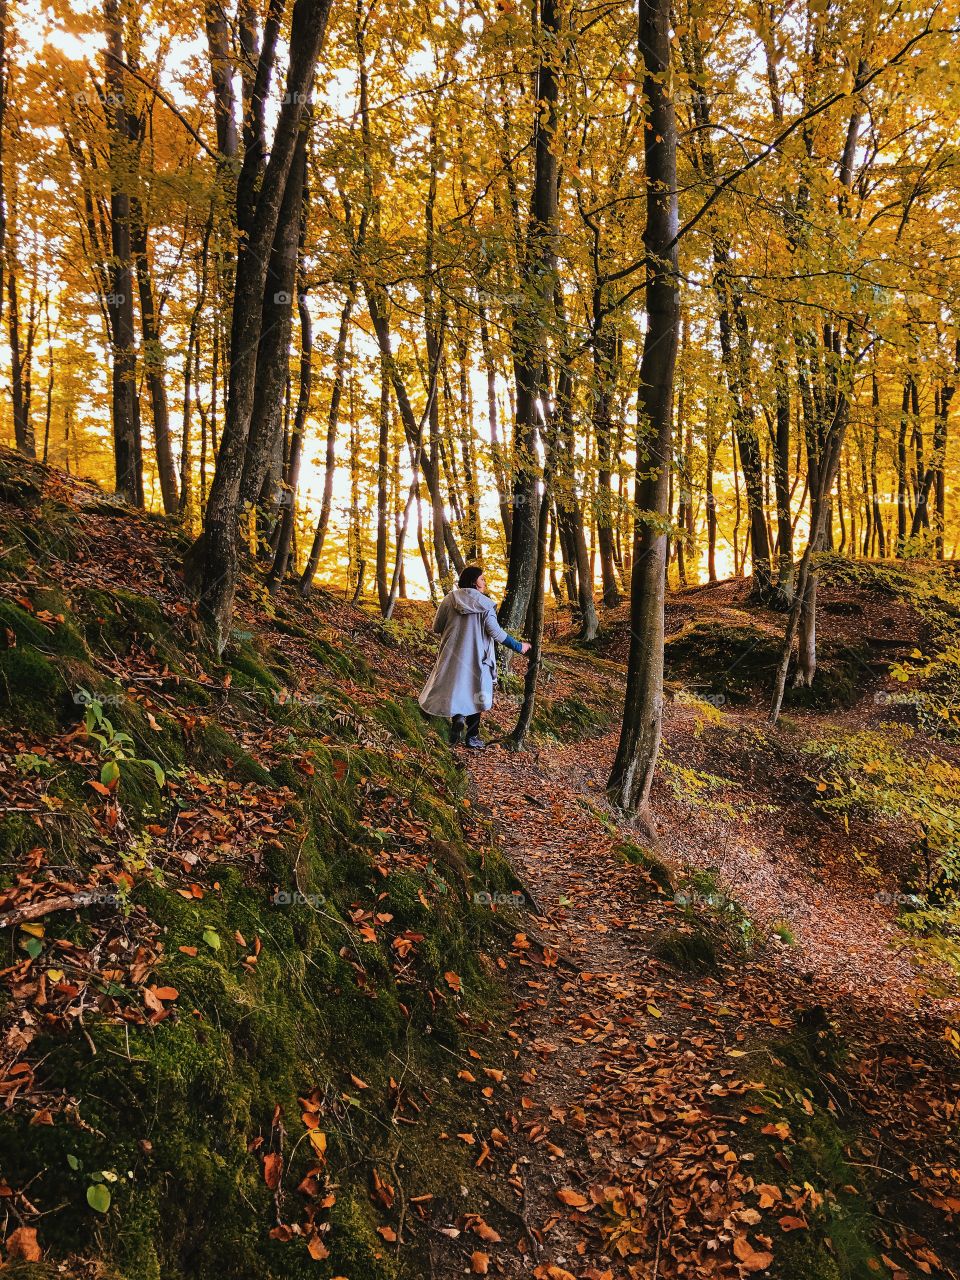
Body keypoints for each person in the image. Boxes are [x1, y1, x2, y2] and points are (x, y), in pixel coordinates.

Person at [418, 566, 531, 749]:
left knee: (457, 688)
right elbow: (495, 632)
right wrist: (519, 646)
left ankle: (458, 717)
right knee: (477, 692)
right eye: (482, 579)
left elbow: (437, 627)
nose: (485, 582)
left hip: (452, 653)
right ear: (473, 581)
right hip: (478, 656)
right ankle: (472, 737)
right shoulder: (486, 604)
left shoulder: (449, 599)